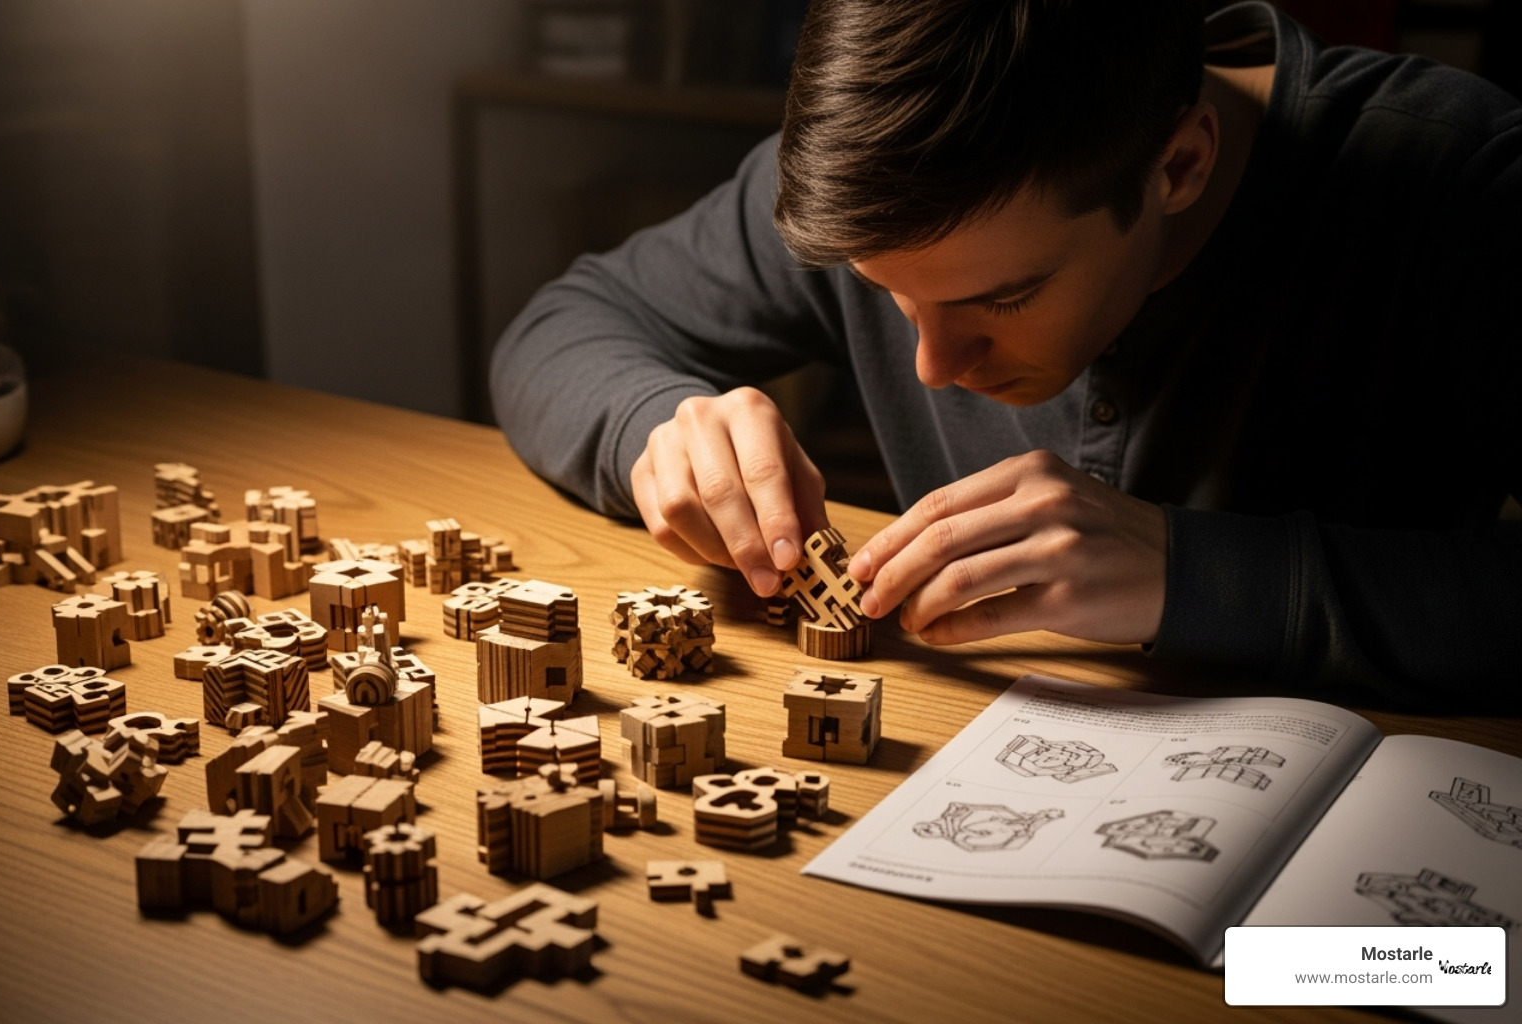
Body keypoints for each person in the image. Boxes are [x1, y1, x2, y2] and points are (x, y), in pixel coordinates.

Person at [491, 0, 1521, 710]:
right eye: (890, 296)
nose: (933, 364)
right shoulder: (886, 181)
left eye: (1005, 297)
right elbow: (567, 323)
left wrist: (1196, 574)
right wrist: (656, 427)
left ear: (1179, 164)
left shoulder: (1466, 184)